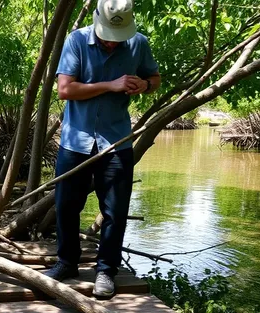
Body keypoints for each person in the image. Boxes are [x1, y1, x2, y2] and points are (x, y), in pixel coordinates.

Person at [44, 0, 161, 298]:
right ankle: (66, 262)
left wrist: (143, 86)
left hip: (117, 140)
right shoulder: (77, 40)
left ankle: (106, 270)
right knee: (67, 206)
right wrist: (111, 85)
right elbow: (65, 90)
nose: (111, 41)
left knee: (115, 211)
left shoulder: (138, 44)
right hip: (76, 141)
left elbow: (155, 79)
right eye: (108, 34)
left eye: (117, 36)